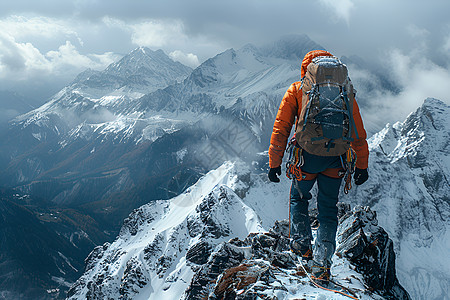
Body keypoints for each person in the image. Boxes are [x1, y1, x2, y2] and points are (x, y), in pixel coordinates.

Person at [267, 50, 369, 284]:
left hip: (307, 158)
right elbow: (357, 131)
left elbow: (281, 128)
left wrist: (275, 163)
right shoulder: (345, 91)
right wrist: (362, 165)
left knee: (299, 198)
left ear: (307, 69)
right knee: (328, 209)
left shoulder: (297, 90)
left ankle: (302, 248)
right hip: (337, 158)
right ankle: (322, 266)